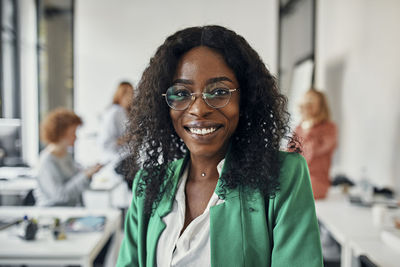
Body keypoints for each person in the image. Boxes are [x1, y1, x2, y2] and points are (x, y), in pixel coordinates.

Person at [117, 25, 323, 266]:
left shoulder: (283, 176)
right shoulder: (149, 185)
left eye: (218, 91)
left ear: (244, 99)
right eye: (182, 93)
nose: (199, 109)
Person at [35, 108, 103, 206]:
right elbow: (60, 195)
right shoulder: (47, 162)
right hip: (54, 213)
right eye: (73, 133)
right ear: (61, 133)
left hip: (72, 210)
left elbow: (76, 183)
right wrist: (85, 175)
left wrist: (88, 173)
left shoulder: (66, 154)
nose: (76, 137)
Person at [294, 89, 337, 200]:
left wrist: (308, 130)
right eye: (305, 100)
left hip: (317, 181)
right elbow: (291, 155)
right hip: (297, 177)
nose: (307, 104)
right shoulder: (299, 128)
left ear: (320, 105)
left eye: (311, 100)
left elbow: (311, 154)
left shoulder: (329, 128)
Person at [98, 81, 134, 163]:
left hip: (126, 156)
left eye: (132, 93)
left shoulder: (126, 112)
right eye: (127, 93)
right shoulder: (115, 112)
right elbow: (106, 142)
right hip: (118, 159)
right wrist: (130, 137)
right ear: (120, 95)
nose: (131, 97)